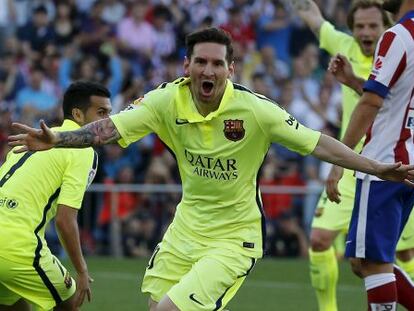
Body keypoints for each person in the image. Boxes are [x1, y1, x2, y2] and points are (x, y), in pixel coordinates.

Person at [7, 28, 414, 311]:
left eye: (217, 64)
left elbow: (318, 142)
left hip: (234, 237)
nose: (208, 70)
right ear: (186, 66)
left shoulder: (255, 110)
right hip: (185, 230)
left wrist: (374, 166)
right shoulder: (165, 101)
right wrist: (58, 139)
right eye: (200, 61)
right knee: (157, 307)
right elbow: (108, 129)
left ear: (230, 70)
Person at [291, 1, 414, 310]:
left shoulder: (398, 37)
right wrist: (353, 81)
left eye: (373, 25)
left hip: (382, 162)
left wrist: (338, 160)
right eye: (360, 26)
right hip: (399, 158)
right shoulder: (347, 44)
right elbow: (310, 15)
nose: (366, 32)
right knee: (361, 259)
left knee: (379, 259)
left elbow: (373, 102)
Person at [0, 81, 112, 311]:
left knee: (14, 306)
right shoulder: (82, 150)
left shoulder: (36, 138)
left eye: (109, 113)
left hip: (8, 241)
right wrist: (81, 271)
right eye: (101, 113)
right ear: (78, 114)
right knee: (68, 305)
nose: (108, 121)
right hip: (16, 246)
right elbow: (64, 219)